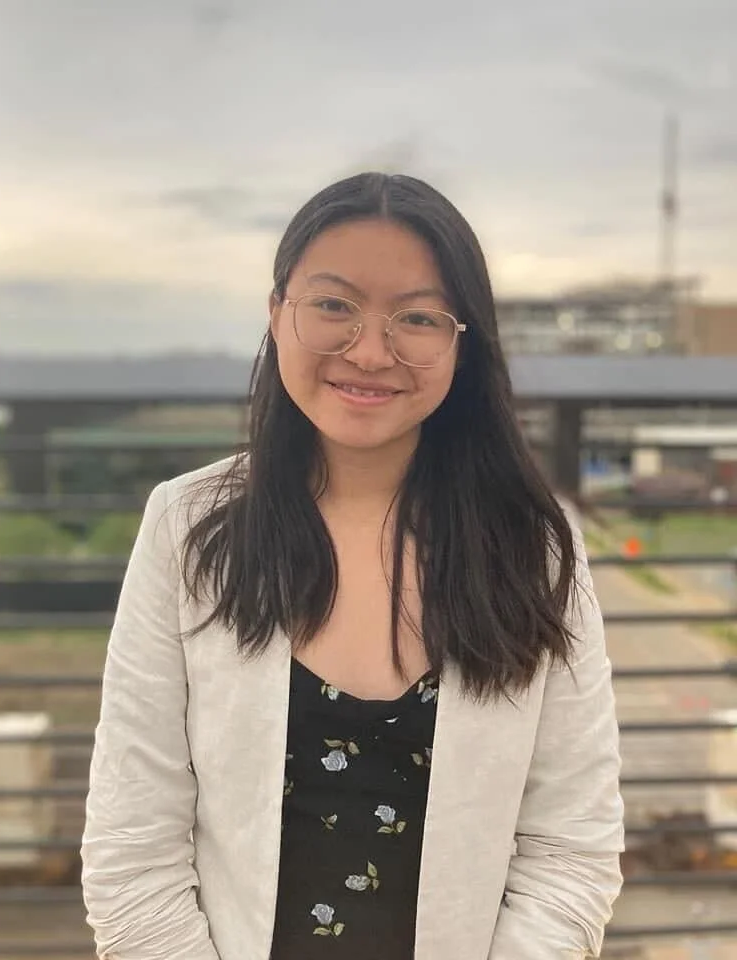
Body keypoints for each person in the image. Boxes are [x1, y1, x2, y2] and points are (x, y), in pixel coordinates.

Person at [81, 172, 624, 960]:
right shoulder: (188, 529)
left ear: (464, 343)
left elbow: (570, 848)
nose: (371, 351)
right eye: (334, 305)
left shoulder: (532, 545)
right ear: (278, 313)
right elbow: (133, 849)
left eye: (418, 317)